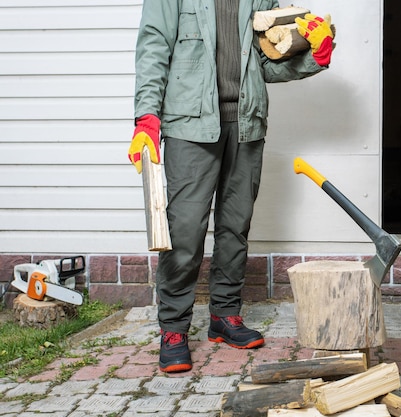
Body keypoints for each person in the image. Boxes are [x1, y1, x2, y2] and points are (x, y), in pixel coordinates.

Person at [127, 1, 334, 373]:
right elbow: (154, 45)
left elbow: (268, 63)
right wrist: (147, 116)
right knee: (185, 231)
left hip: (247, 123)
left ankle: (225, 316)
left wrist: (313, 56)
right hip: (189, 125)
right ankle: (173, 330)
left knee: (235, 226)